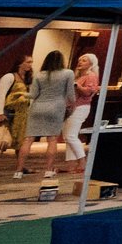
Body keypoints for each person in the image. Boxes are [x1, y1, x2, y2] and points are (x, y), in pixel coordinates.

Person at [20, 50, 75, 180]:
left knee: (28, 139)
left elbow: (33, 95)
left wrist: (22, 94)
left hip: (37, 107)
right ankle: (48, 170)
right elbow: (70, 94)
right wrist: (72, 105)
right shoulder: (68, 73)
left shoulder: (39, 75)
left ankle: (18, 170)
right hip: (56, 107)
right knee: (52, 140)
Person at [63, 51, 102, 164]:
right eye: (80, 60)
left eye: (84, 60)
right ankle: (71, 164)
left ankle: (82, 161)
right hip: (71, 107)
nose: (80, 62)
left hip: (80, 107)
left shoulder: (91, 76)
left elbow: (88, 92)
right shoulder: (79, 76)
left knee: (70, 135)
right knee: (68, 136)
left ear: (91, 64)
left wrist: (77, 85)